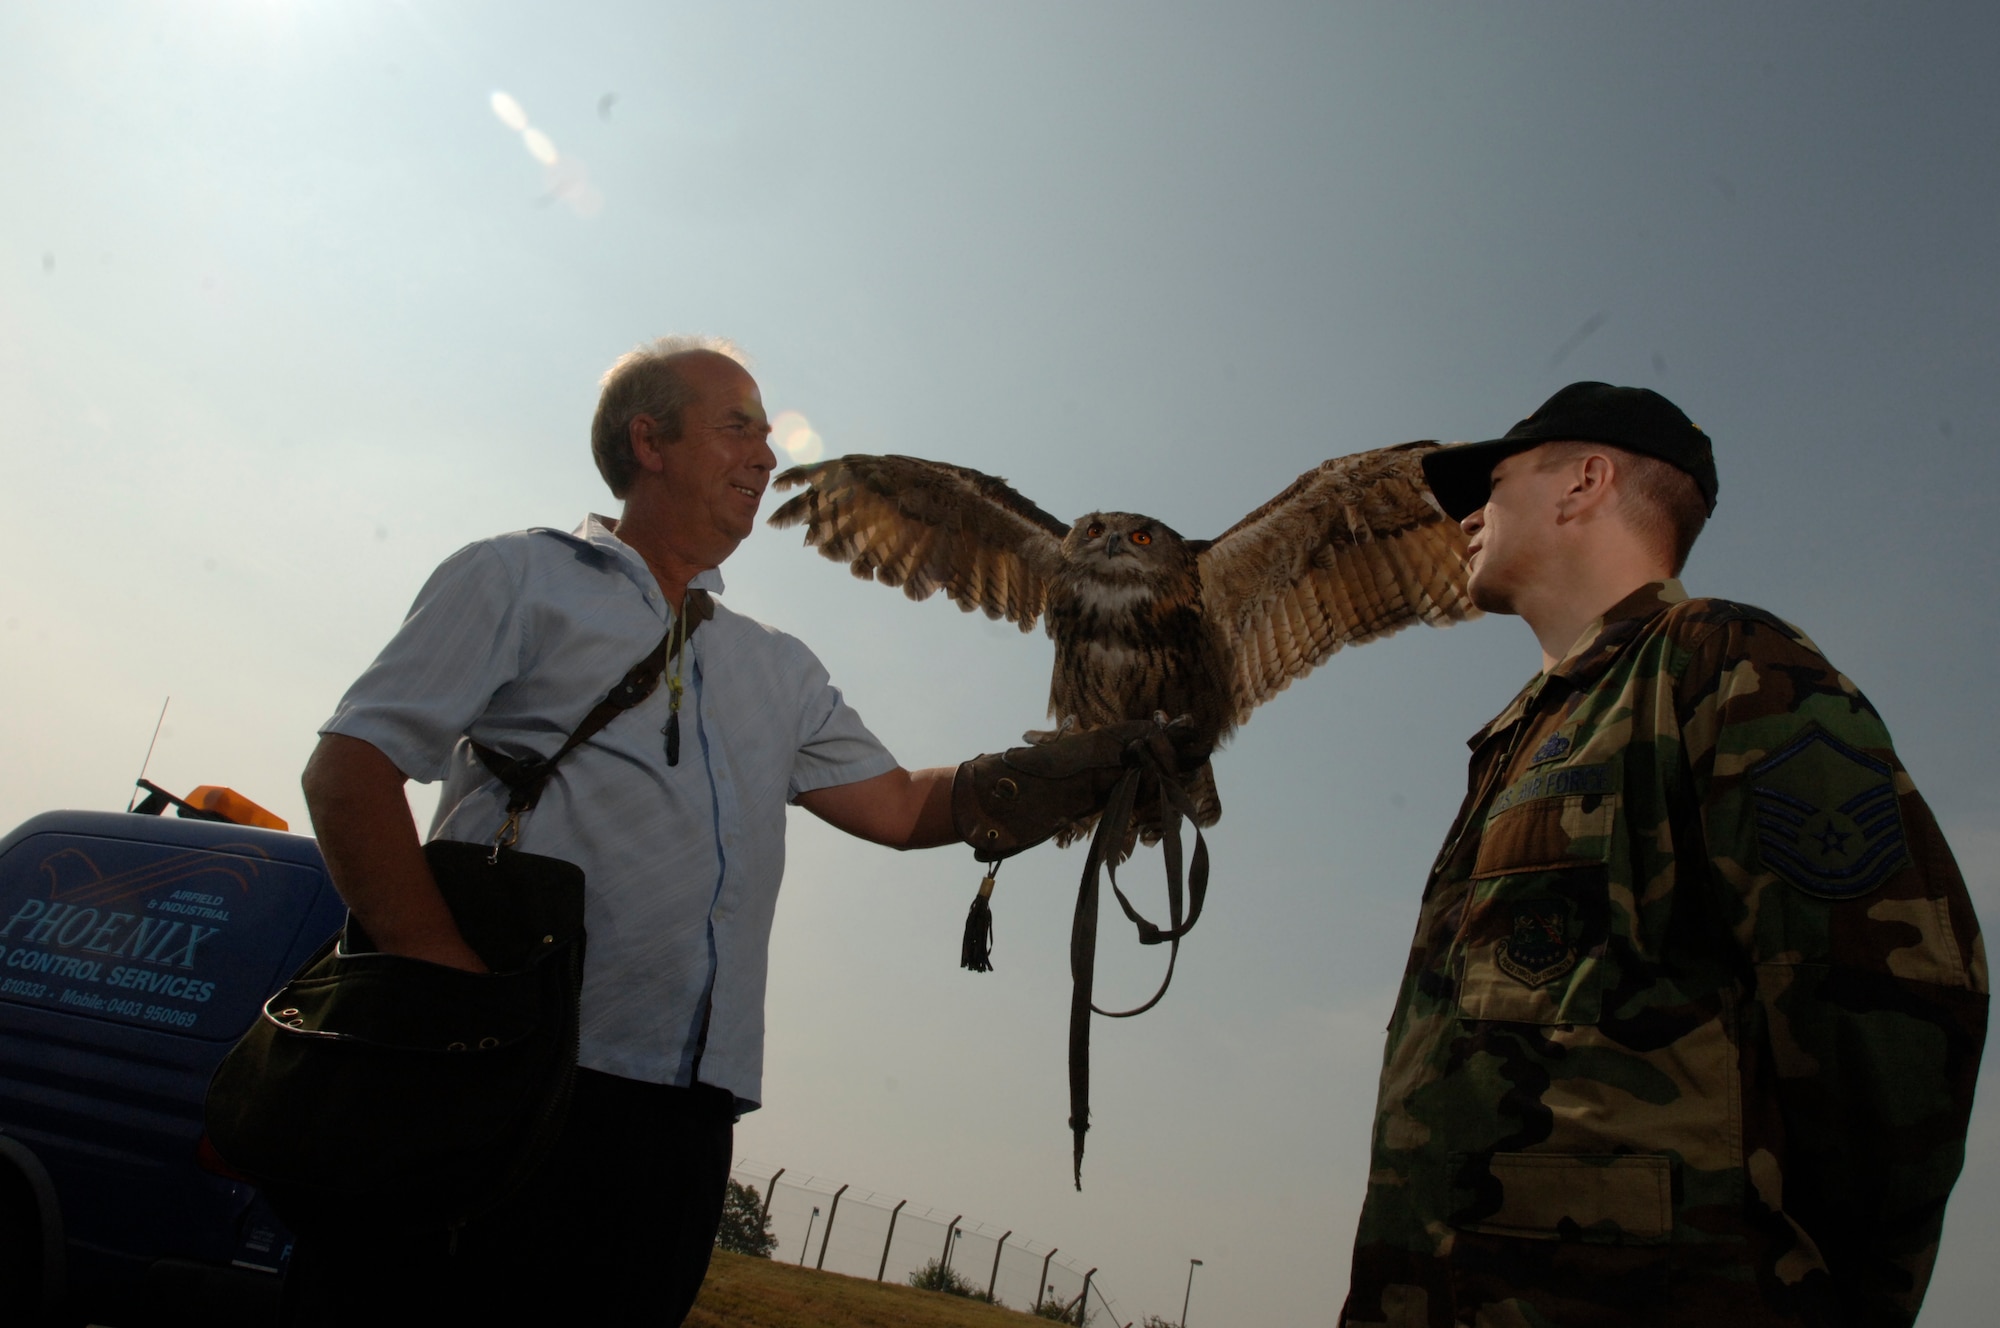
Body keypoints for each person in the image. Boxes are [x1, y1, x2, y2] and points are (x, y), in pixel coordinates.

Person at [287, 336, 1163, 1326]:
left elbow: (900, 806)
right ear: (648, 441)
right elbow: (349, 769)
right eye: (737, 426)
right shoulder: (518, 577)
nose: (765, 454)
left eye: (768, 433)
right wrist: (440, 975)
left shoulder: (776, 666)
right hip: (500, 1081)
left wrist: (1076, 768)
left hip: (683, 1117)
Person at [1339, 382, 1987, 1327]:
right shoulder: (1528, 734)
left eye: (1495, 481)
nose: (1469, 514)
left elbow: (1889, 1024)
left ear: (1584, 481)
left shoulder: (1721, 664)